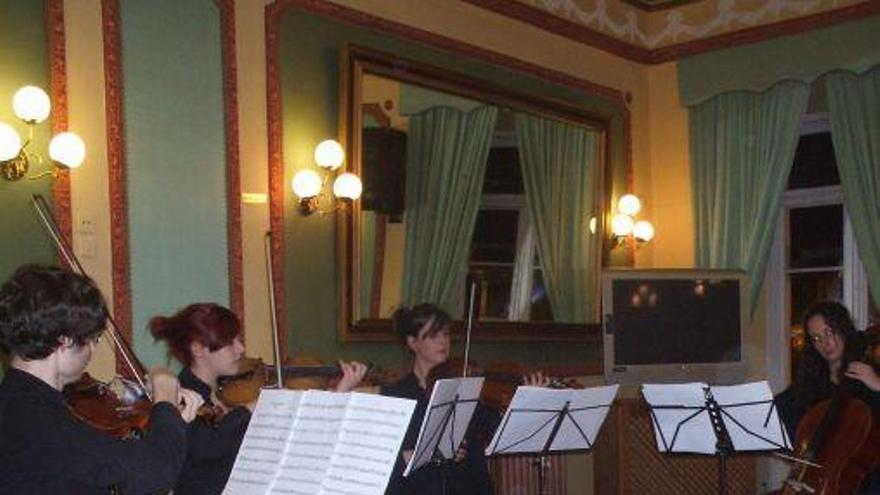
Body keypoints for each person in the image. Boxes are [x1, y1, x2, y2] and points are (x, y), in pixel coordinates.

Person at [0, 264, 204, 494]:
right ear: (65, 341)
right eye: (94, 339)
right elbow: (156, 470)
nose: (93, 351)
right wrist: (165, 396)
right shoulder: (34, 417)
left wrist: (171, 423)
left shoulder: (20, 404)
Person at [149, 302, 369, 495]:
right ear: (198, 349)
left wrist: (341, 391)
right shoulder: (184, 397)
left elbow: (296, 438)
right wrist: (251, 408)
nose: (241, 348)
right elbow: (207, 446)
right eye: (230, 342)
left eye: (239, 339)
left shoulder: (221, 394)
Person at [380, 303, 550, 495]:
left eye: (445, 334)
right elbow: (389, 459)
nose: (443, 342)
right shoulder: (396, 394)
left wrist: (527, 400)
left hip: (470, 484)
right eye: (434, 335)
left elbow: (497, 430)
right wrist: (435, 453)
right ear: (412, 343)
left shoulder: (463, 387)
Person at [776, 301, 880, 493]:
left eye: (829, 332)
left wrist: (877, 385)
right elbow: (775, 412)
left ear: (844, 329)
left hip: (868, 483)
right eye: (816, 338)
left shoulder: (871, 375)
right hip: (819, 483)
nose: (825, 343)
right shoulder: (811, 384)